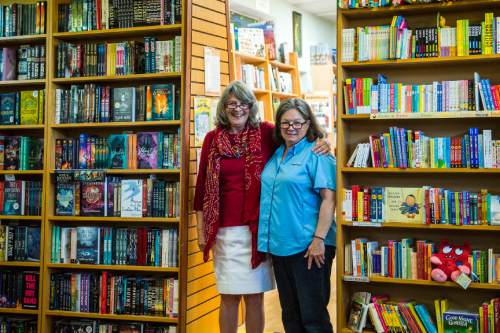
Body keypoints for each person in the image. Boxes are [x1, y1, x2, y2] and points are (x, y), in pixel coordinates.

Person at [193, 81, 329, 333]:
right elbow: (201, 188)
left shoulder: (266, 132)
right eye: (231, 103)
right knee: (229, 296)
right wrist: (201, 230)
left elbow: (297, 135)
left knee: (255, 296)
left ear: (251, 106)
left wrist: (323, 141)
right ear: (223, 107)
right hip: (223, 232)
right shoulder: (212, 139)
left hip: (259, 231)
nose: (237, 109)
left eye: (243, 103)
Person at [258, 98, 336, 333]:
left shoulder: (318, 154)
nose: (291, 128)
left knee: (313, 319)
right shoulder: (277, 153)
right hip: (280, 246)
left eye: (297, 123)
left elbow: (329, 199)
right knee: (290, 316)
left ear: (308, 124)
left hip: (309, 247)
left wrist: (319, 240)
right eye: (285, 123)